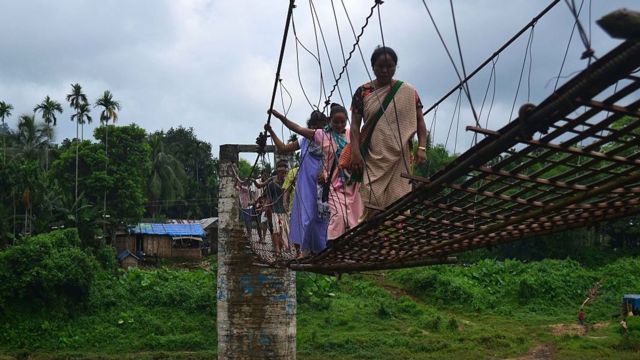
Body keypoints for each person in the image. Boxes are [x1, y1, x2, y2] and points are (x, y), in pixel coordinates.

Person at [350, 46, 428, 220]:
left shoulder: (408, 91)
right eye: (380, 66)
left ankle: (394, 242)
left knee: (398, 203)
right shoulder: (362, 92)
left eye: (390, 66)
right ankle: (370, 241)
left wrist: (422, 147)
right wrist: (355, 153)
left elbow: (420, 121)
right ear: (373, 67)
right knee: (371, 199)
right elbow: (355, 126)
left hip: (401, 156)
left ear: (395, 66)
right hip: (372, 156)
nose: (385, 70)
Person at [269, 103, 363, 247]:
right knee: (323, 216)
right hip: (322, 185)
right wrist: (279, 119)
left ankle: (341, 247)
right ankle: (322, 248)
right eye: (335, 122)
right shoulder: (318, 137)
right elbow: (291, 136)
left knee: (349, 217)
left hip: (345, 183)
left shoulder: (349, 134)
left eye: (342, 122)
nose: (339, 125)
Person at [266, 110, 330, 257]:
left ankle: (321, 249)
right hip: (305, 183)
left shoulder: (328, 139)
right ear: (310, 126)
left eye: (321, 127)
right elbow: (282, 148)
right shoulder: (304, 140)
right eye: (314, 127)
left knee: (321, 216)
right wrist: (272, 131)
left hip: (322, 182)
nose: (317, 131)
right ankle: (305, 250)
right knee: (305, 216)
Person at [265, 160, 290, 254]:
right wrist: (267, 208)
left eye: (284, 172)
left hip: (285, 211)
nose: (283, 174)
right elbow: (269, 198)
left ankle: (282, 247)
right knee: (276, 230)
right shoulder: (271, 184)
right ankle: (277, 249)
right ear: (277, 171)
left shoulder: (289, 183)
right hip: (275, 210)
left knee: (285, 230)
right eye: (281, 172)